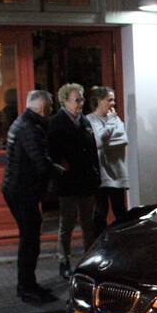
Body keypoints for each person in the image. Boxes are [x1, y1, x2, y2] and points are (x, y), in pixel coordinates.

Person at [0, 90, 57, 304]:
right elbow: (39, 161)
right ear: (43, 108)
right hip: (21, 190)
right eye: (50, 107)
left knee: (30, 237)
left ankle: (29, 284)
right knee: (29, 239)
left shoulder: (24, 123)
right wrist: (58, 170)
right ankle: (26, 287)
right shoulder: (29, 128)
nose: (51, 112)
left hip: (19, 189)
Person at [48, 83, 100, 279]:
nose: (81, 103)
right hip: (68, 182)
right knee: (67, 223)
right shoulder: (56, 123)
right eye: (77, 100)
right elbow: (52, 154)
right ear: (64, 101)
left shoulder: (85, 122)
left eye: (82, 99)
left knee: (88, 222)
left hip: (86, 180)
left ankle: (88, 260)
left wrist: (96, 173)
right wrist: (60, 171)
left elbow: (93, 150)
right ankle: (64, 260)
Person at [86, 86, 129, 235]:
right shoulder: (90, 120)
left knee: (120, 212)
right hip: (102, 174)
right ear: (99, 101)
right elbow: (98, 141)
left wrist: (106, 140)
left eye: (114, 100)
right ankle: (101, 243)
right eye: (109, 100)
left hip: (117, 172)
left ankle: (122, 242)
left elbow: (123, 140)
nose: (113, 103)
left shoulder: (116, 118)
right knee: (100, 212)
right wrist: (110, 126)